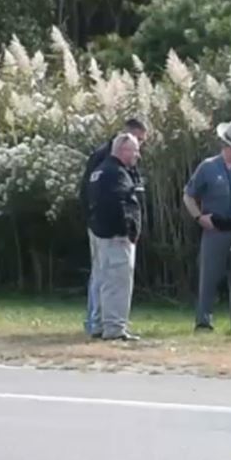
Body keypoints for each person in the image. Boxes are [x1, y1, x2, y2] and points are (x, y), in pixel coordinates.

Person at [181, 120, 231, 333]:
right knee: (209, 277)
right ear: (226, 147)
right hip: (215, 231)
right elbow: (189, 195)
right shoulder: (207, 168)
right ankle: (203, 321)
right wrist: (199, 217)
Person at [79, 118, 148, 339]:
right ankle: (115, 328)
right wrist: (128, 230)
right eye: (136, 148)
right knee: (116, 280)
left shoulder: (101, 166)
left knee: (101, 278)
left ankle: (97, 324)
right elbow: (120, 203)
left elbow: (88, 195)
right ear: (123, 148)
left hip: (99, 230)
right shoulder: (114, 171)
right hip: (114, 234)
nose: (139, 154)